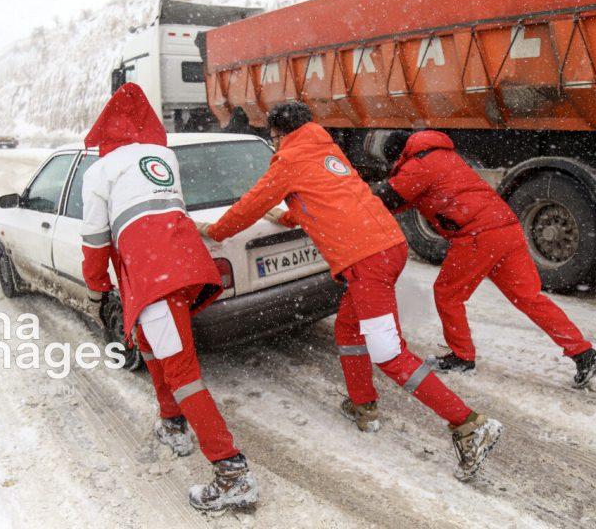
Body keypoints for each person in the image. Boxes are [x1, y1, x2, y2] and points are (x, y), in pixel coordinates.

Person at [197, 101, 502, 481]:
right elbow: (335, 196)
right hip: (389, 246)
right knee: (348, 329)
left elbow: (249, 206)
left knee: (389, 352)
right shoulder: (326, 149)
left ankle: (468, 423)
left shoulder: (289, 159)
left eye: (273, 137)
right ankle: (363, 405)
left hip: (365, 259)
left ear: (280, 134)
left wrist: (214, 231)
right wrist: (291, 216)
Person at [81, 82, 258, 511]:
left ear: (105, 128)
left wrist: (96, 288)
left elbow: (94, 241)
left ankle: (231, 472)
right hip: (184, 269)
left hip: (152, 279)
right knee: (154, 348)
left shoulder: (99, 172)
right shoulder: (163, 156)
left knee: (182, 371)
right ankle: (172, 422)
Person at [372, 129, 596, 388]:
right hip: (506, 228)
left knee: (448, 295)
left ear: (397, 154)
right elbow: (407, 199)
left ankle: (462, 357)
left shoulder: (418, 165)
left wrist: (356, 198)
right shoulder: (443, 157)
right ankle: (584, 353)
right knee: (529, 298)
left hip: (477, 235)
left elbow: (387, 197)